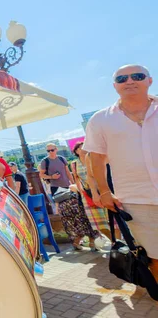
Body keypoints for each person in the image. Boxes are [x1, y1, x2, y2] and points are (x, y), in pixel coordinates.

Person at [84, 64, 158, 281]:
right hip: (136, 200)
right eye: (122, 78)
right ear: (115, 86)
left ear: (149, 80)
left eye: (137, 76)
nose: (129, 81)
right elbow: (95, 158)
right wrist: (104, 192)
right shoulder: (101, 119)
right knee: (153, 255)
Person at [71, 142, 110, 247]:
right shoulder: (74, 164)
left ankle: (118, 242)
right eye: (80, 147)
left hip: (102, 190)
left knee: (112, 220)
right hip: (87, 194)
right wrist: (82, 193)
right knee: (98, 223)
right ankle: (113, 241)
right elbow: (76, 179)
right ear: (76, 151)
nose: (83, 148)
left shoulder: (94, 159)